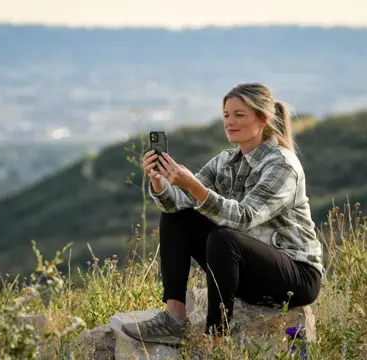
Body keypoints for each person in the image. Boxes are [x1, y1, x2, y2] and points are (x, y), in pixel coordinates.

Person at [121, 82, 323, 347]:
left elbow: (244, 218)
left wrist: (193, 185)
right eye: (227, 115)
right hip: (246, 270)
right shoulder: (224, 161)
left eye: (240, 115)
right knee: (177, 216)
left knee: (224, 237)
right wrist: (159, 181)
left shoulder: (282, 165)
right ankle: (174, 318)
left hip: (296, 276)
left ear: (264, 119)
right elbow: (178, 202)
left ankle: (217, 338)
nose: (230, 122)